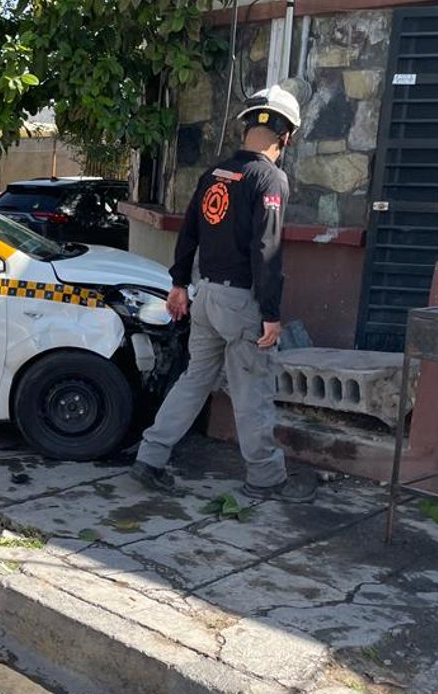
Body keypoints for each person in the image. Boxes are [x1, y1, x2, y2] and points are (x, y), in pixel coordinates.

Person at [130, 85, 316, 504]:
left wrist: (179, 284)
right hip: (242, 302)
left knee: (194, 380)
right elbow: (265, 248)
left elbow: (190, 230)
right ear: (285, 136)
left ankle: (151, 457)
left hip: (206, 296)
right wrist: (271, 311)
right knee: (252, 390)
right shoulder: (270, 179)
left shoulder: (216, 174)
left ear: (247, 126)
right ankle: (267, 479)